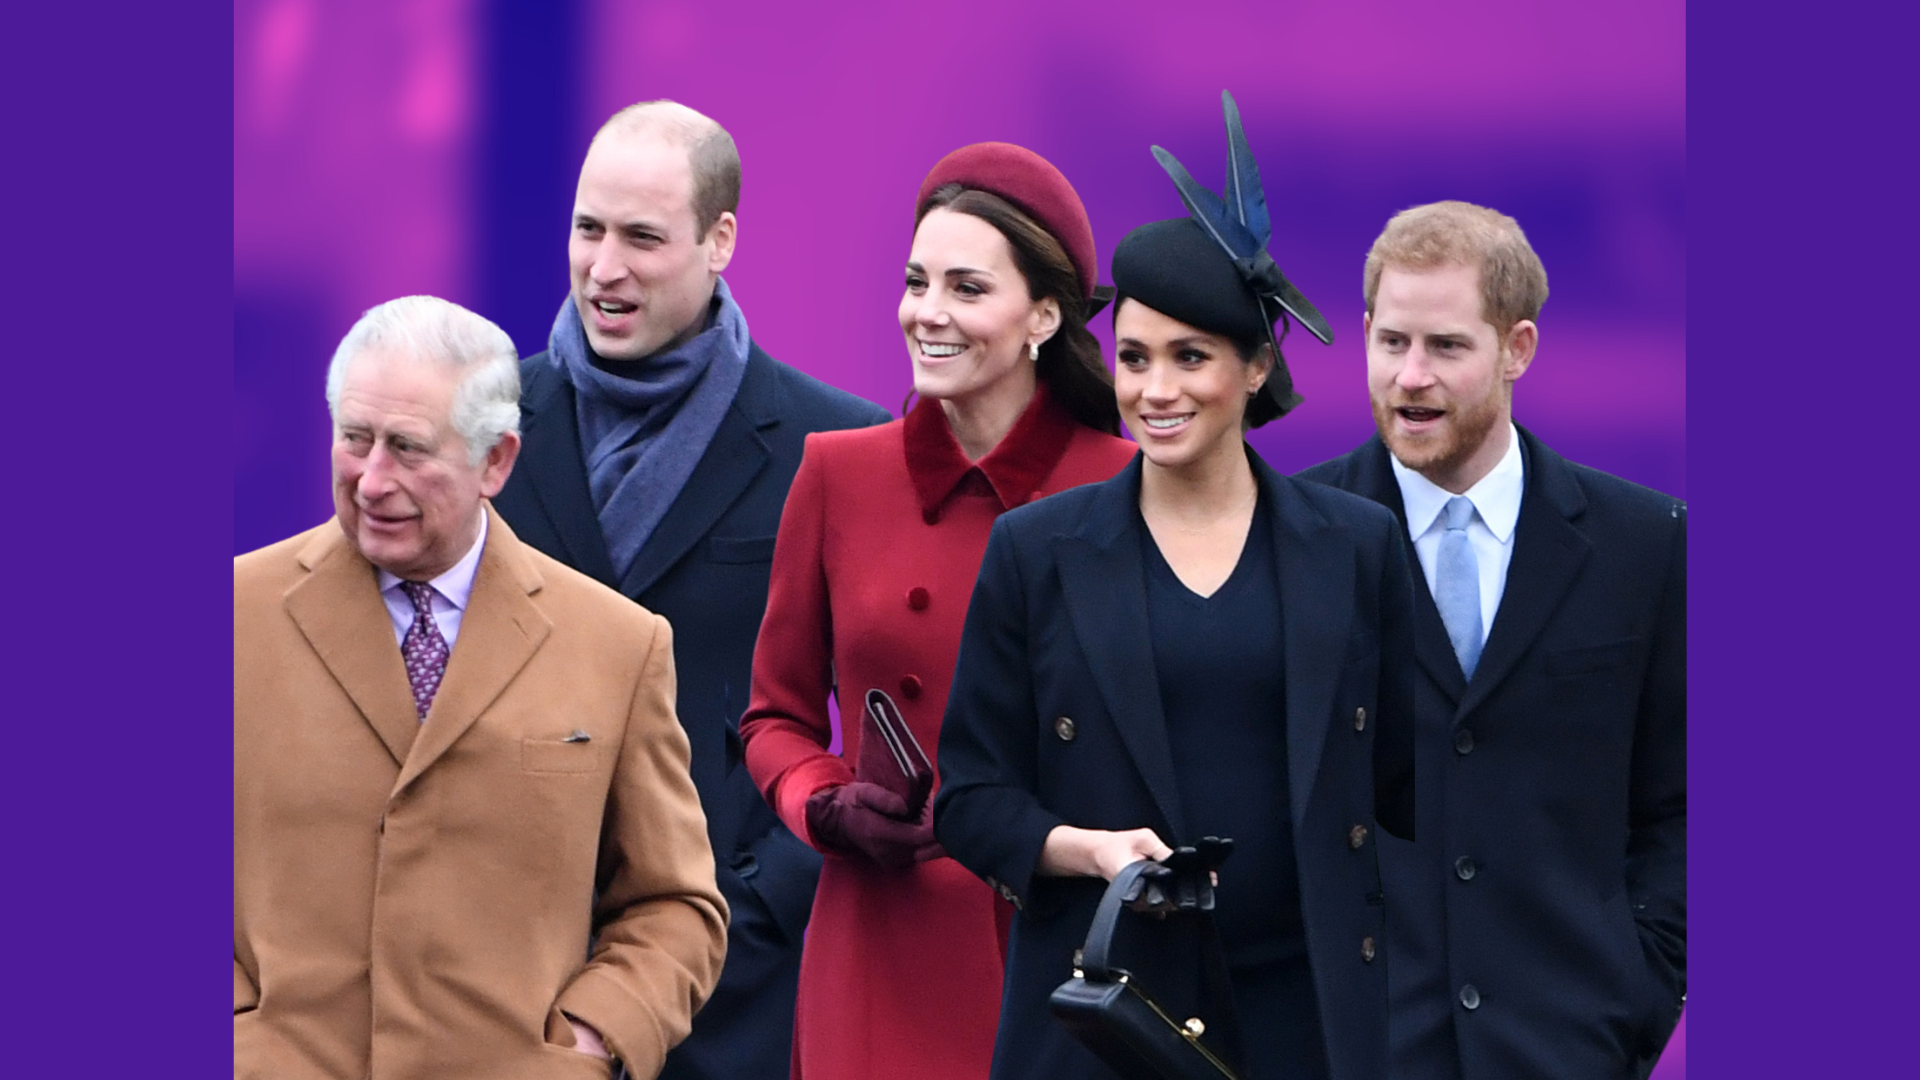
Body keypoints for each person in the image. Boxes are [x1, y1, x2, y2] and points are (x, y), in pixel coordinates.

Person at [934, 94, 1416, 1080]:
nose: (1156, 390)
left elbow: (1409, 795)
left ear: (1257, 366)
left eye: (1190, 357)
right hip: (1104, 1020)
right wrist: (1089, 850)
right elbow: (971, 800)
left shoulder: (1356, 547)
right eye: (1135, 358)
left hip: (1307, 1022)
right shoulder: (1037, 551)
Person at [490, 101, 889, 1080]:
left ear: (721, 242)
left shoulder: (834, 447)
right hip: (504, 977)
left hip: (735, 981)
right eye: (588, 229)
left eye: (642, 237)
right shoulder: (486, 428)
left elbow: (887, 712)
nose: (604, 268)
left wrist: (771, 891)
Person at [234, 296, 727, 1080]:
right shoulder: (233, 617)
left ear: (496, 461)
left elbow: (675, 906)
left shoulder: (617, 645)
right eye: (355, 438)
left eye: (408, 448)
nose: (372, 480)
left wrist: (592, 1042)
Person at [738, 142, 1137, 1079]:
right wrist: (827, 805)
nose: (929, 312)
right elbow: (773, 717)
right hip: (880, 934)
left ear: (1046, 315)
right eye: (917, 282)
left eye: (967, 288)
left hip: (1060, 944)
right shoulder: (838, 473)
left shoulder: (1125, 487)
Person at [1296, 200, 1685, 1079]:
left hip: (1569, 1049)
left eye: (1446, 346)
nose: (1411, 376)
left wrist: (1638, 991)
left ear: (1518, 348)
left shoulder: (1647, 544)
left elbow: (1684, 803)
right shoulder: (1292, 540)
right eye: (1391, 342)